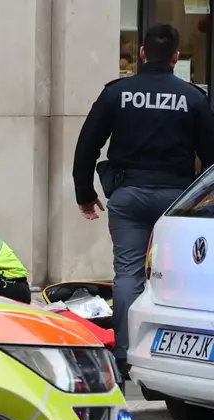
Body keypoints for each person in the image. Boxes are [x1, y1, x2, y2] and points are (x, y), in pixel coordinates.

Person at [72, 24, 214, 377]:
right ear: (176, 57)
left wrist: (85, 195)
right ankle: (177, 351)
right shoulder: (193, 97)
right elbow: (211, 157)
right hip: (175, 203)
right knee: (176, 278)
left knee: (128, 275)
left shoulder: (117, 93)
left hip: (130, 197)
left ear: (141, 54)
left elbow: (86, 146)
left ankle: (125, 355)